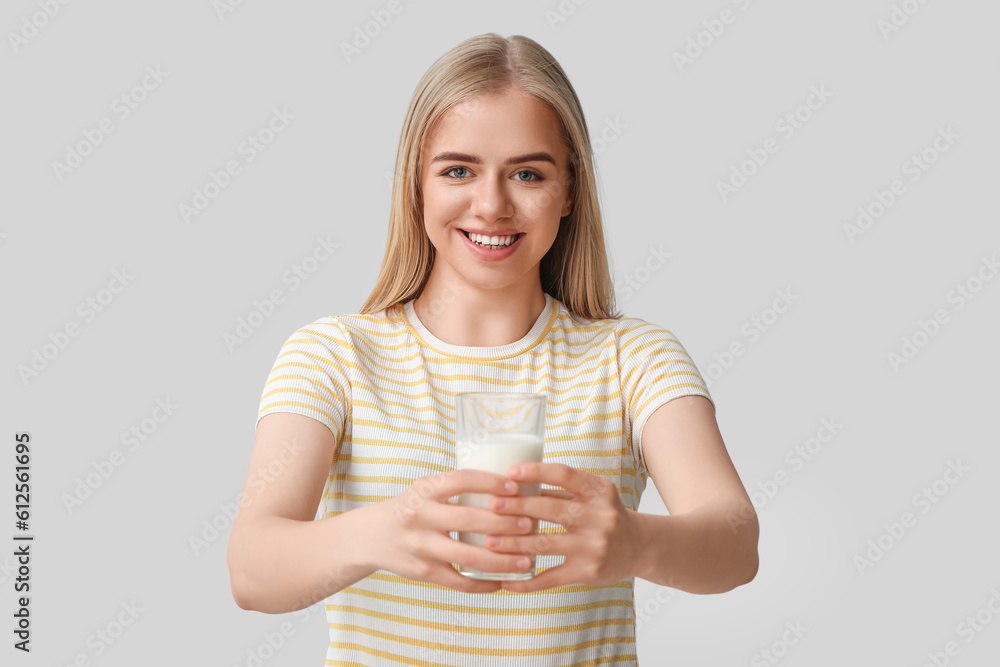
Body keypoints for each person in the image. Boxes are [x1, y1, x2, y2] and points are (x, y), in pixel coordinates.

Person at [227, 32, 759, 666]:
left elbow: (736, 544)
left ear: (569, 193)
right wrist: (381, 532)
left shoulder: (631, 359)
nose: (491, 205)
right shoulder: (335, 356)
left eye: (528, 174)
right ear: (415, 186)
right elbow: (251, 570)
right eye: (458, 170)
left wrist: (638, 542)